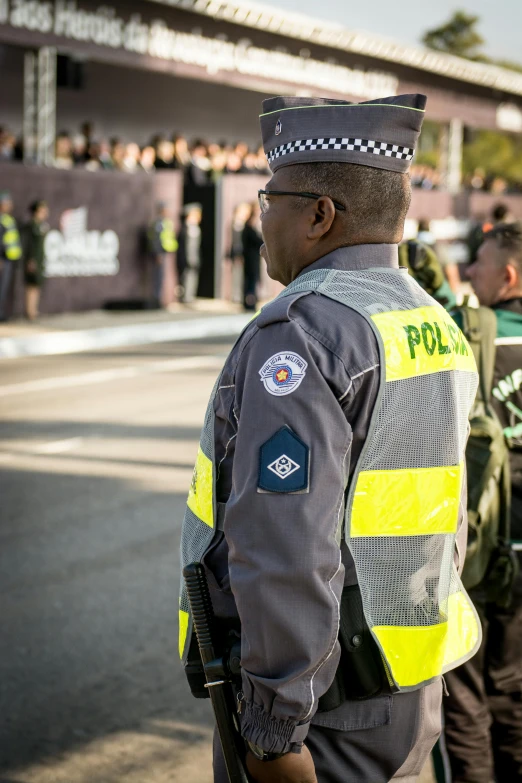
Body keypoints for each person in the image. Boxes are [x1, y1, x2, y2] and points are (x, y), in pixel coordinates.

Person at [179, 94, 481, 783]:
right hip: (408, 689)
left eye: (269, 196)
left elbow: (285, 546)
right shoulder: (430, 316)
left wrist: (274, 733)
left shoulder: (303, 331)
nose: (259, 216)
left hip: (324, 719)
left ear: (319, 215)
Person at [441, 221, 522, 782]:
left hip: (477, 550)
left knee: (463, 701)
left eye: (482, 264)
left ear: (510, 276)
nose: (471, 272)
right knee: (515, 693)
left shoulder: (475, 332)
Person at [22, 200, 49, 321]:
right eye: (42, 210)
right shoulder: (31, 226)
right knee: (31, 285)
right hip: (33, 260)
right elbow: (29, 244)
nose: (45, 212)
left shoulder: (41, 225)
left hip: (39, 260)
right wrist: (31, 260)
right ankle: (30, 311)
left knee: (37, 285)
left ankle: (33, 310)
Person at [148, 202, 178, 306]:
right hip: (159, 254)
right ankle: (156, 300)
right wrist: (158, 254)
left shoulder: (165, 222)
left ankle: (159, 299)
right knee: (158, 278)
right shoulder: (158, 223)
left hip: (164, 253)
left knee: (161, 277)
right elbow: (156, 239)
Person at [0, 191, 22, 322]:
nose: (10, 205)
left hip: (10, 259)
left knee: (4, 288)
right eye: (7, 203)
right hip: (3, 259)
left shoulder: (8, 219)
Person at [176, 203, 202, 303]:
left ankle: (191, 296)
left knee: (193, 278)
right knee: (185, 278)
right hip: (186, 259)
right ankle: (185, 297)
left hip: (194, 258)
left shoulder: (196, 229)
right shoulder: (184, 229)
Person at [241, 201, 263, 310]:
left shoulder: (249, 227)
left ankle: (250, 302)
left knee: (251, 281)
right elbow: (257, 241)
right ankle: (250, 303)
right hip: (251, 259)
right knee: (251, 281)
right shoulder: (248, 228)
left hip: (252, 258)